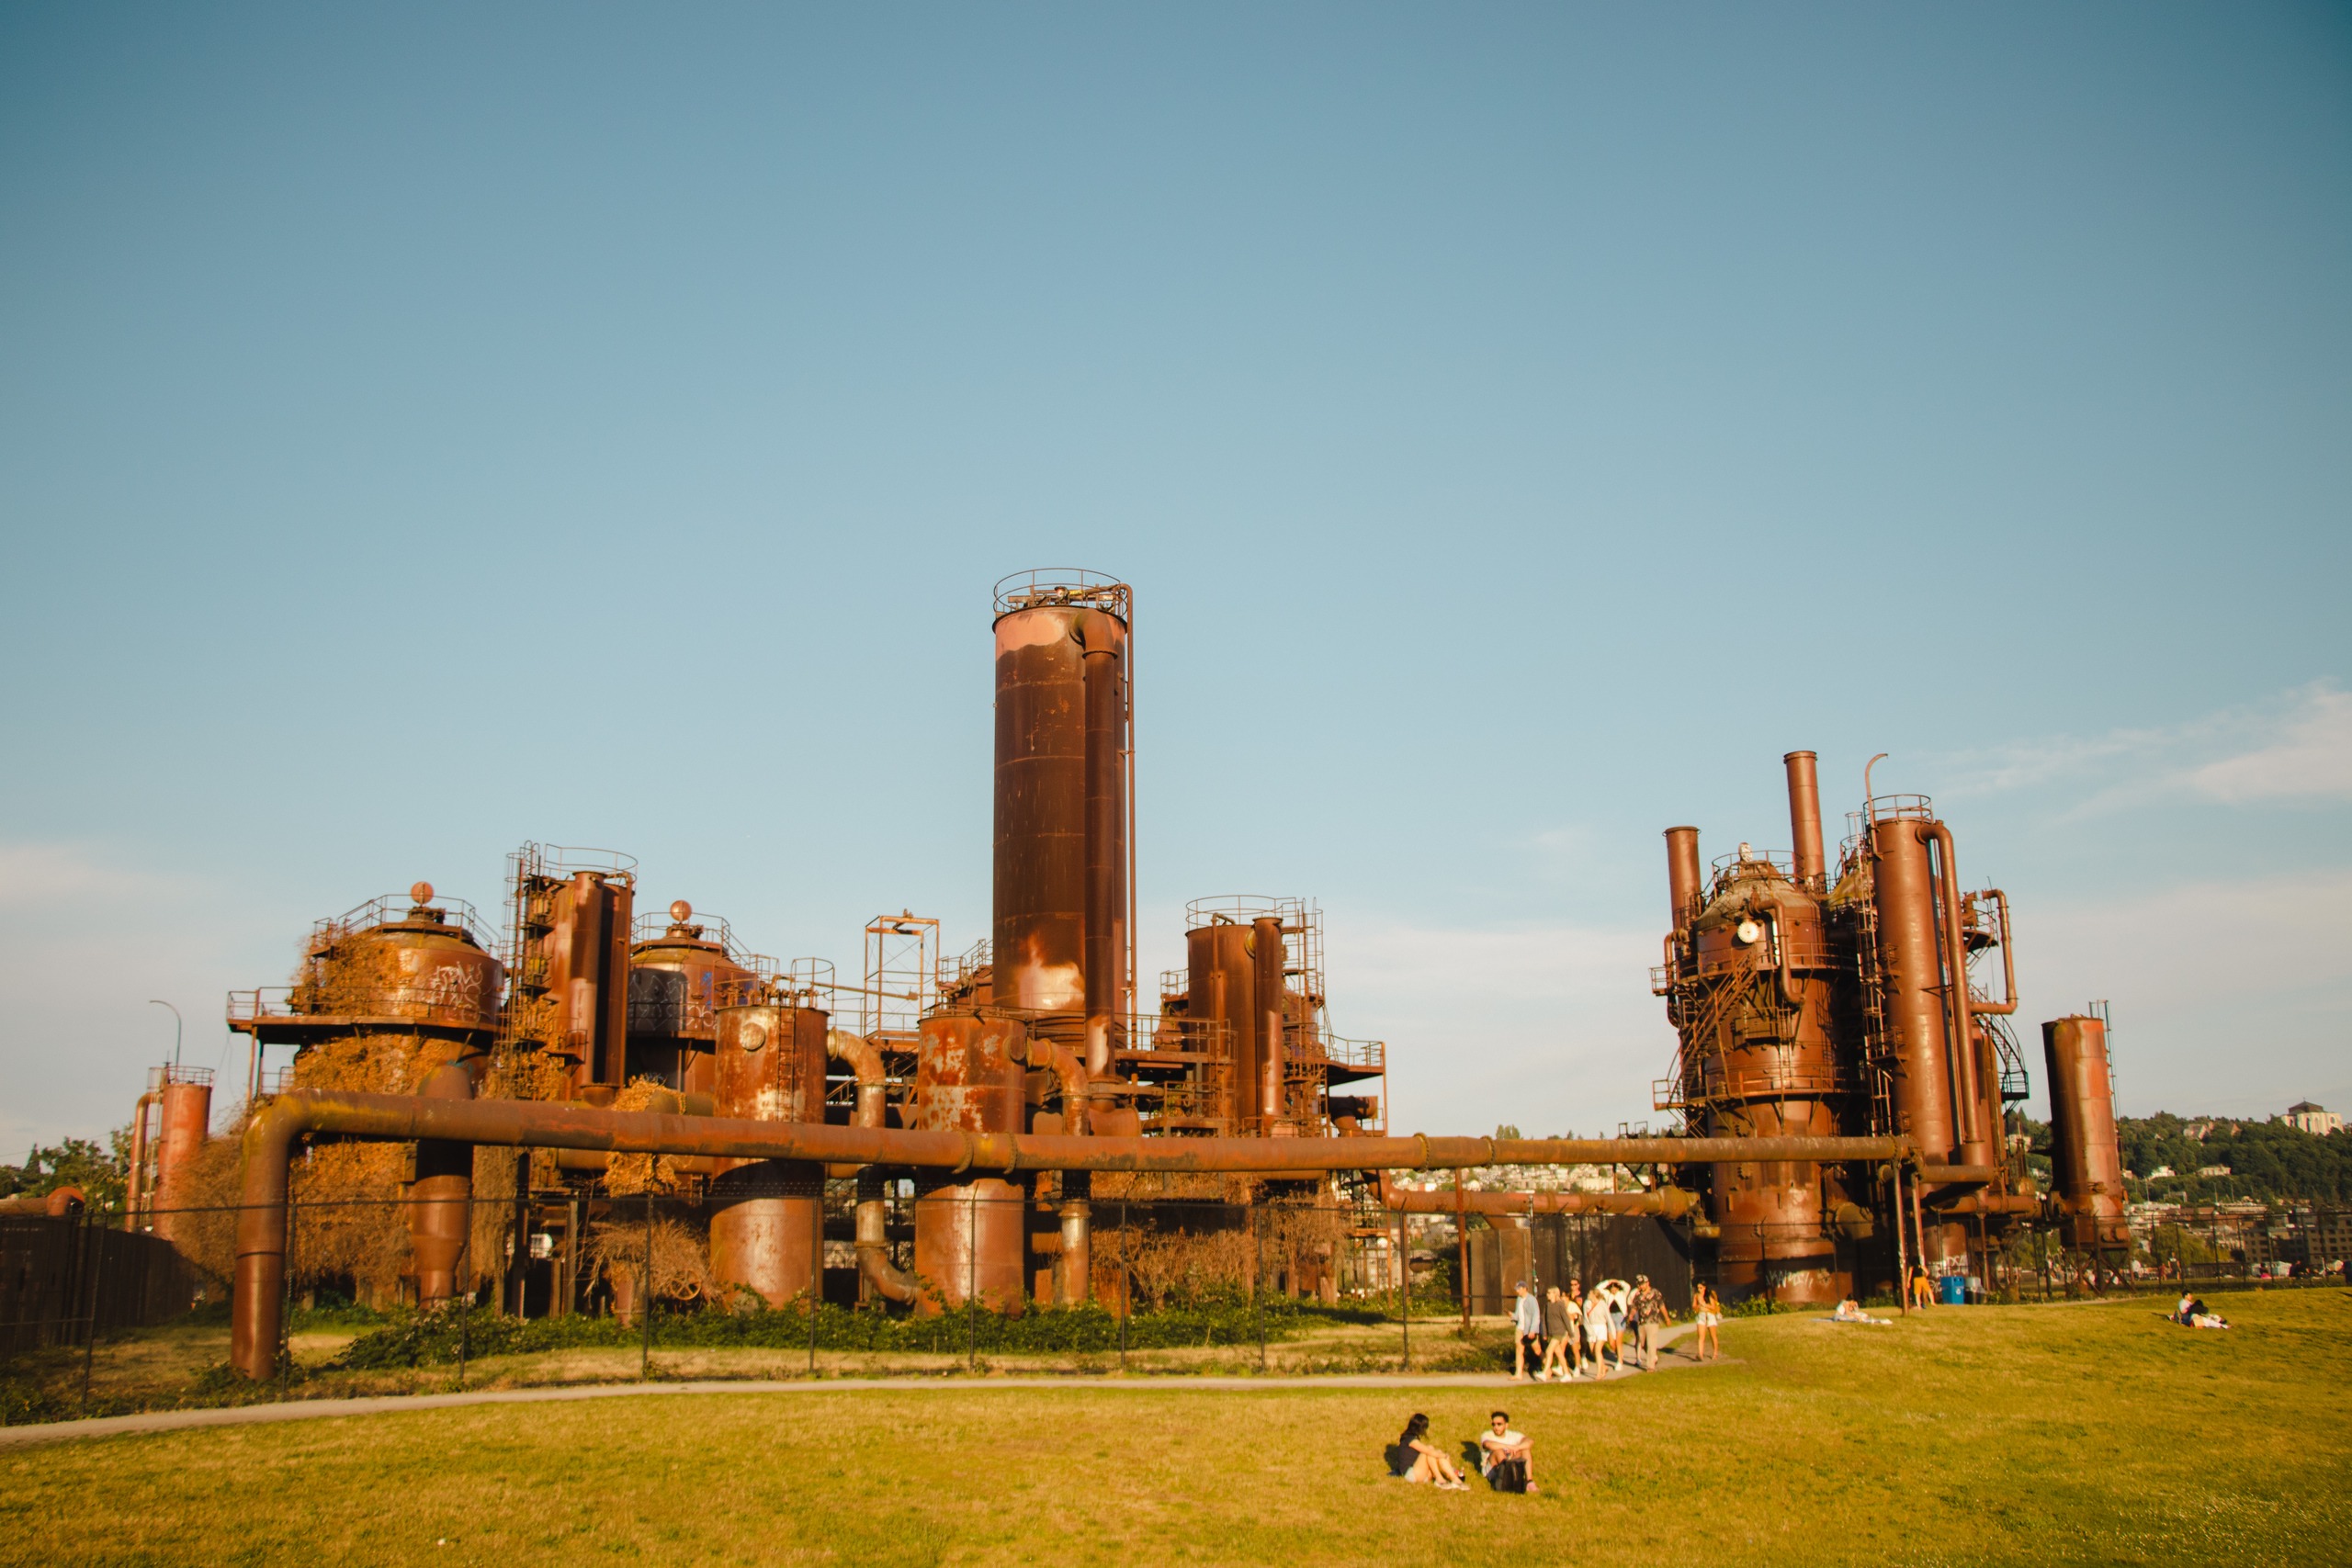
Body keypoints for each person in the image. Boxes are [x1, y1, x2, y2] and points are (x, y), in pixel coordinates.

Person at [1392, 1413, 1469, 1489]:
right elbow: (1428, 1451)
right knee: (1430, 1450)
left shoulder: (1413, 1439)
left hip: (1423, 1474)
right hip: (1411, 1475)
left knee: (1436, 1452)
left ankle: (1455, 1479)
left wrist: (1442, 1456)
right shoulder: (1410, 1440)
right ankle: (1439, 1479)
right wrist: (1445, 1456)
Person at [1478, 1410, 1537, 1494]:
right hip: (1492, 1470)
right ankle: (1506, 1481)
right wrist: (1510, 1447)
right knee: (1498, 1452)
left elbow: (1530, 1442)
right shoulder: (1487, 1435)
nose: (1496, 1427)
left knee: (1525, 1450)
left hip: (1509, 1462)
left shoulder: (1513, 1435)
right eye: (1494, 1424)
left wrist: (1517, 1447)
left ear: (1506, 1425)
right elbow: (1488, 1445)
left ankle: (1529, 1481)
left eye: (1499, 1424)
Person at [1630, 1275, 1669, 1371]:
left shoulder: (1655, 1293)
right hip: (1642, 1322)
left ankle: (1650, 1366)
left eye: (1642, 1284)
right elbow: (1635, 1307)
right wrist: (1630, 1316)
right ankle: (1653, 1357)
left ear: (1647, 1283)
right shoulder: (1638, 1295)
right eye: (1639, 1284)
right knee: (1642, 1343)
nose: (1641, 1286)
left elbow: (1661, 1305)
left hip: (1653, 1321)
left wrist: (1667, 1318)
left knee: (1651, 1343)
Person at [1540, 1285, 1577, 1382]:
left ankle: (1544, 1373)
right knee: (1559, 1354)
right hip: (1551, 1333)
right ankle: (1567, 1374)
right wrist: (1545, 1333)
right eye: (1547, 1293)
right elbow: (1544, 1319)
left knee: (1548, 1351)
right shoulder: (1547, 1305)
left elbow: (1566, 1319)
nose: (1547, 1295)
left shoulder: (1560, 1305)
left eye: (1549, 1293)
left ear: (1555, 1294)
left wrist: (1571, 1334)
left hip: (1559, 1332)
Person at [1511, 1280, 1544, 1382]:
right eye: (1517, 1290)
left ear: (1525, 1288)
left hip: (1529, 1329)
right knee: (1519, 1349)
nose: (1518, 1292)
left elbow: (1536, 1316)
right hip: (1519, 1328)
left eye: (1519, 1289)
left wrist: (1532, 1330)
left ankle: (1547, 1367)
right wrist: (1512, 1316)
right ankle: (1518, 1373)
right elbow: (1517, 1314)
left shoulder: (1532, 1300)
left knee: (1537, 1349)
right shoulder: (1518, 1299)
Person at [1582, 1282, 1616, 1373]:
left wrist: (1612, 1333)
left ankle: (1599, 1373)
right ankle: (1603, 1366)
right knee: (1593, 1351)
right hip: (1591, 1328)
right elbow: (1585, 1318)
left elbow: (1608, 1318)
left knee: (1598, 1350)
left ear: (1594, 1295)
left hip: (1601, 1328)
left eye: (1590, 1294)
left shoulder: (1602, 1304)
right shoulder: (1586, 1304)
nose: (1588, 1295)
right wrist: (1589, 1330)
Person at [1692, 1283, 1722, 1360]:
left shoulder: (1709, 1295)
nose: (1699, 1289)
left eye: (1701, 1288)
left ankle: (1715, 1353)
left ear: (1705, 1288)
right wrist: (1698, 1306)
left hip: (1710, 1316)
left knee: (1713, 1336)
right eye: (1698, 1288)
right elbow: (1694, 1306)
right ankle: (1700, 1354)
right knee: (1701, 1336)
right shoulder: (1696, 1295)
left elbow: (1713, 1307)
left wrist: (1705, 1305)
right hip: (1701, 1316)